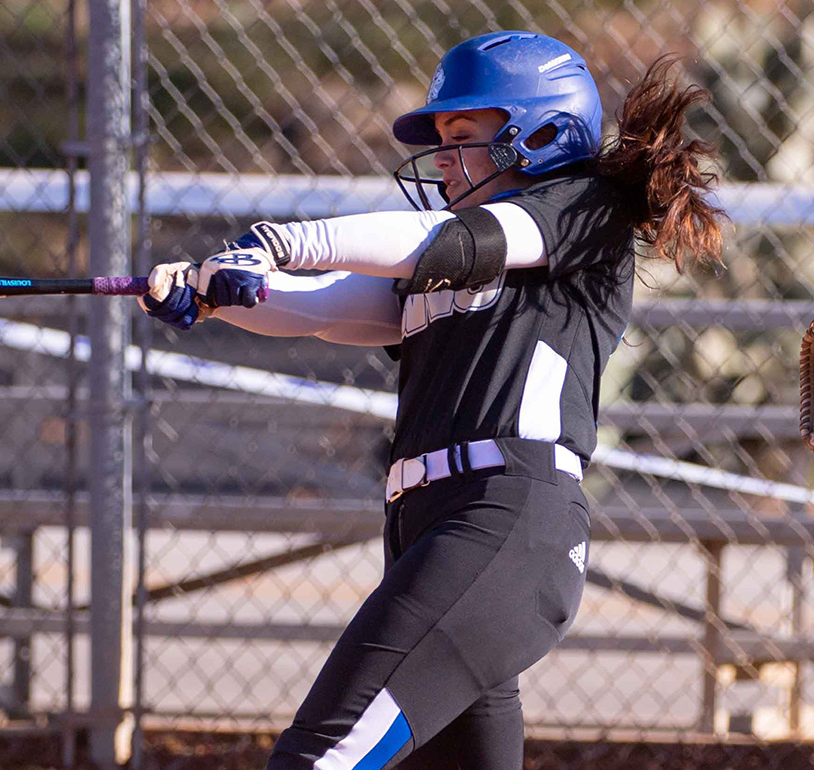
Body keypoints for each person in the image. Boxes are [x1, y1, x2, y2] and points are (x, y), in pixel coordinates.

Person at [137, 31, 726, 769]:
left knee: (319, 758)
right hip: (431, 532)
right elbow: (320, 306)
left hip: (505, 520)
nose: (443, 157)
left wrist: (279, 242)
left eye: (462, 136)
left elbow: (446, 243)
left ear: (539, 135)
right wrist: (214, 291)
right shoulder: (448, 258)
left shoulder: (579, 210)